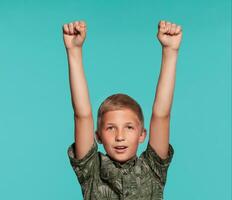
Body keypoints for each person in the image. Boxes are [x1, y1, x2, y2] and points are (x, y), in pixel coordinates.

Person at [62, 19, 182, 200]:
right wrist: (74, 51)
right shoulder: (92, 171)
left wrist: (170, 51)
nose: (120, 136)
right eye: (111, 128)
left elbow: (161, 115)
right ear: (98, 135)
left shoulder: (152, 170)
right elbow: (82, 115)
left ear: (142, 134)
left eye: (129, 127)